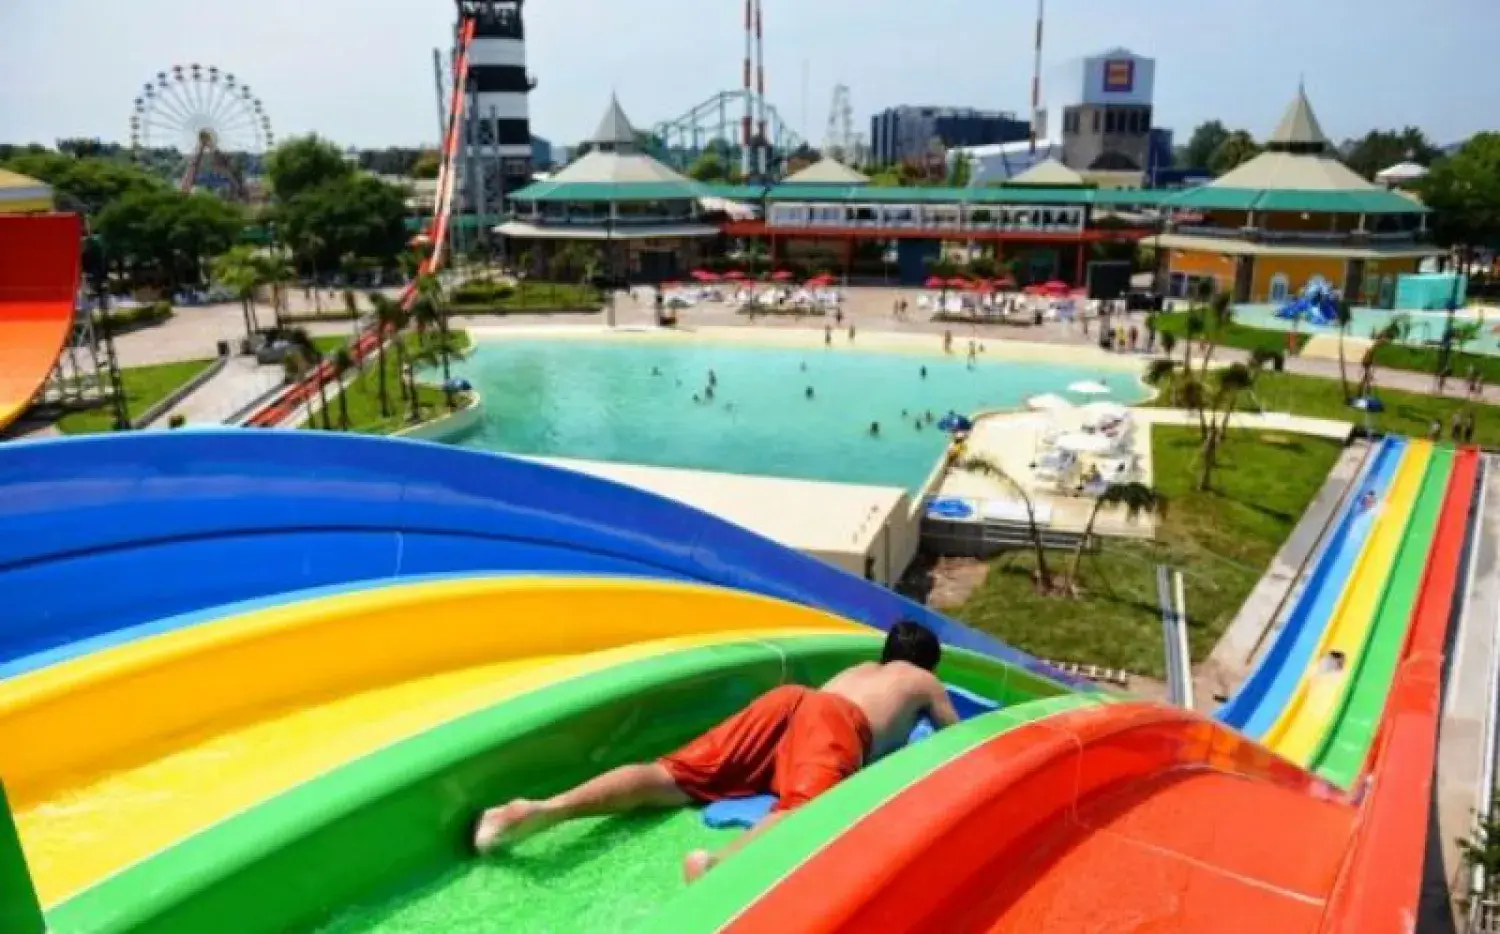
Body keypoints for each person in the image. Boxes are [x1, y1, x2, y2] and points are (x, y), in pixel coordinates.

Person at [471, 622, 958, 881]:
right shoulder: (922, 679)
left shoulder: (857, 669)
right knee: (808, 810)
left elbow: (816, 717)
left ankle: (543, 808)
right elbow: (957, 736)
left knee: (672, 776)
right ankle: (717, 866)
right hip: (832, 724)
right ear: (926, 663)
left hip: (791, 701)